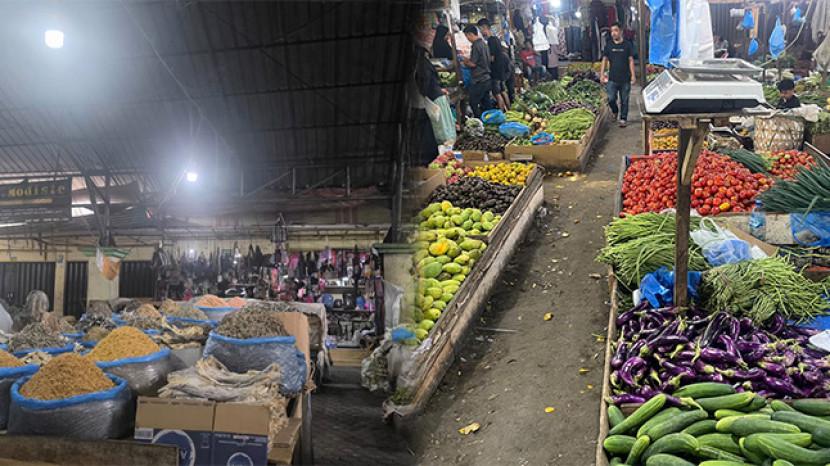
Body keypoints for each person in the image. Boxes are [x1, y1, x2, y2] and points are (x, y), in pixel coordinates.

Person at [600, 22, 636, 127]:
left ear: (621, 31)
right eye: (612, 31)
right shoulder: (609, 45)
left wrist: (633, 75)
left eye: (615, 30)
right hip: (612, 78)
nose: (613, 33)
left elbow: (631, 60)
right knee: (611, 99)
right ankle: (615, 111)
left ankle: (623, 118)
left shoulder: (627, 45)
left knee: (624, 100)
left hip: (625, 78)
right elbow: (604, 60)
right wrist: (602, 74)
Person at [462, 24, 493, 117]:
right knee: (486, 103)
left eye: (466, 36)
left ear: (470, 34)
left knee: (473, 103)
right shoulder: (484, 44)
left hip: (479, 80)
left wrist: (464, 61)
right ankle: (490, 120)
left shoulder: (476, 45)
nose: (467, 39)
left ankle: (479, 120)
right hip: (487, 78)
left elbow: (473, 64)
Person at [487, 36, 511, 110]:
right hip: (503, 77)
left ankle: (501, 111)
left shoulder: (493, 57)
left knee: (497, 95)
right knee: (503, 92)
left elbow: (491, 67)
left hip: (495, 78)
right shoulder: (504, 55)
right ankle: (509, 108)